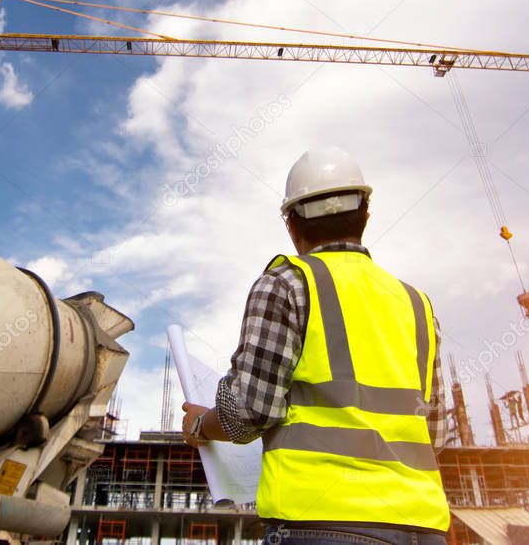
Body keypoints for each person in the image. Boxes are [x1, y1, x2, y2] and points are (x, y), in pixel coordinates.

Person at [181, 147, 450, 545]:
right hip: (423, 529)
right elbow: (436, 434)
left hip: (322, 525)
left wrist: (201, 426)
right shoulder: (417, 304)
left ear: (291, 224)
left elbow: (248, 411)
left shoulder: (287, 284)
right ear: (366, 217)